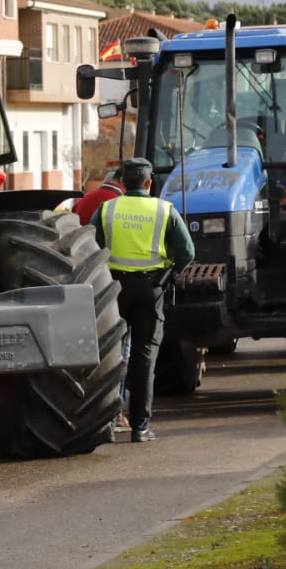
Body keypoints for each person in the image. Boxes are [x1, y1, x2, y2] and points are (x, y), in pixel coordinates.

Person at [89, 157, 194, 443]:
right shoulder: (164, 210)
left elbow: (91, 247)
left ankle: (108, 422)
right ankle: (140, 427)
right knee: (145, 355)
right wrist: (169, 272)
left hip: (114, 290)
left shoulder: (107, 209)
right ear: (150, 183)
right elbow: (187, 251)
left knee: (110, 355)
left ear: (122, 182)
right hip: (151, 289)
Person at [73, 167, 130, 429]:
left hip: (81, 281)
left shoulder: (84, 201)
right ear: (120, 182)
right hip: (114, 280)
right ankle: (114, 409)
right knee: (121, 348)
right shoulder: (119, 204)